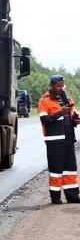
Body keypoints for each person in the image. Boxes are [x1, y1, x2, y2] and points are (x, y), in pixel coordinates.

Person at [37, 74, 80, 204]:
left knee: (70, 169)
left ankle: (73, 196)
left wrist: (76, 120)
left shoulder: (66, 98)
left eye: (62, 86)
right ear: (51, 85)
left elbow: (72, 116)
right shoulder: (44, 101)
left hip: (68, 140)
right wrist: (60, 112)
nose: (60, 88)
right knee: (56, 170)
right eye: (58, 86)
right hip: (54, 142)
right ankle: (55, 198)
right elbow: (45, 119)